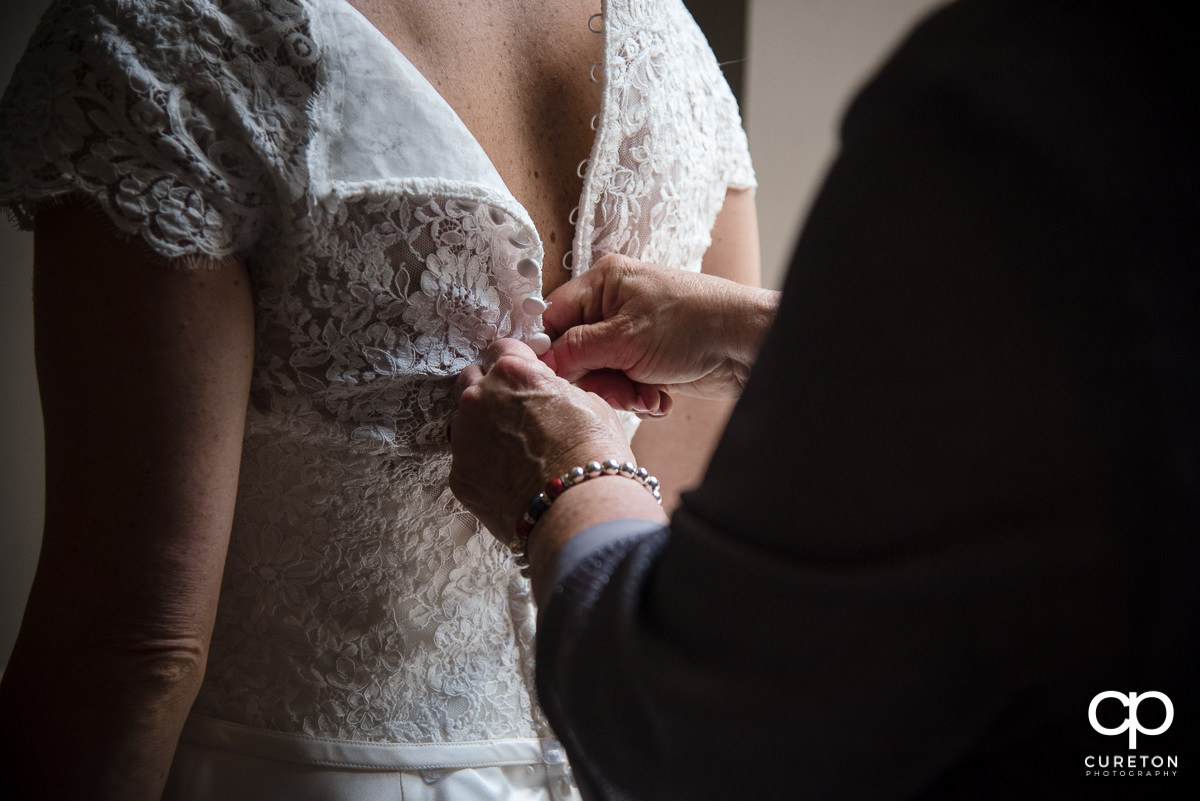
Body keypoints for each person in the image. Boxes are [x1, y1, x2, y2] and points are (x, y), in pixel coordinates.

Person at [0, 0, 759, 798]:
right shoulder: (673, 42)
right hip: (630, 757)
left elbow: (135, 646)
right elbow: (711, 559)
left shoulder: (161, 31)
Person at [448, 0, 1199, 798]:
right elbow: (1084, 385)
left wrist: (568, 476)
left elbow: (700, 730)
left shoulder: (1010, 102)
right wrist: (768, 332)